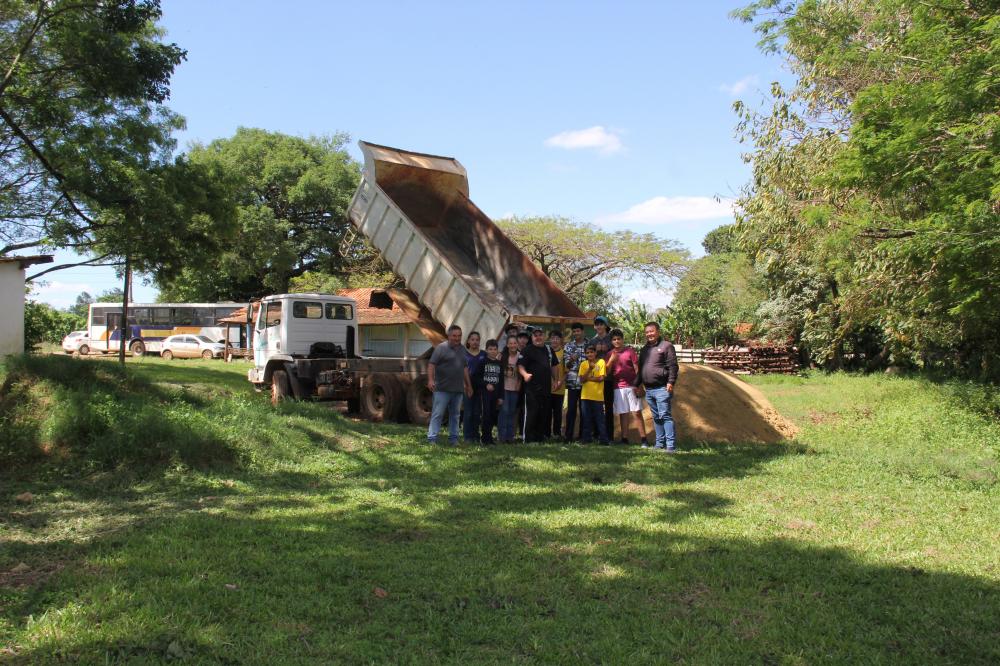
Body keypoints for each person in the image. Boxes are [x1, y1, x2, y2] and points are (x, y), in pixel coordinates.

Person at [633, 321, 679, 452]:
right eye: (647, 332)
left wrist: (671, 382)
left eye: (651, 331)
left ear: (658, 331)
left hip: (662, 388)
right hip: (649, 390)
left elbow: (673, 366)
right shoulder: (644, 349)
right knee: (656, 417)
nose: (649, 334)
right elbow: (641, 369)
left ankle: (670, 446)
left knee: (665, 416)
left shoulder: (666, 346)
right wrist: (636, 384)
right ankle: (659, 444)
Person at [427, 324, 474, 445]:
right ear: (448, 335)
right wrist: (431, 380)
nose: (457, 338)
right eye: (454, 336)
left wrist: (469, 385)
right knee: (438, 414)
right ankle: (432, 438)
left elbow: (464, 368)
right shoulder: (441, 348)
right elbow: (431, 364)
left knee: (456, 415)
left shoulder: (463, 349)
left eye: (459, 336)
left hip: (458, 389)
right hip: (442, 389)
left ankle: (454, 439)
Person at [607, 328, 648, 446]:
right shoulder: (610, 354)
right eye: (614, 339)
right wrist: (611, 360)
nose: (616, 341)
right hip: (618, 387)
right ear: (611, 341)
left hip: (632, 386)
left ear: (622, 339)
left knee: (637, 412)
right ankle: (624, 439)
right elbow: (607, 371)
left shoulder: (630, 351)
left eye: (618, 339)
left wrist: (639, 385)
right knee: (623, 413)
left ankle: (644, 439)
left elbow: (637, 369)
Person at [517, 327, 558, 442]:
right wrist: (525, 375)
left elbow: (554, 366)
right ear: (532, 337)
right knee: (531, 413)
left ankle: (539, 438)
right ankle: (528, 439)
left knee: (543, 413)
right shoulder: (527, 350)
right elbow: (520, 366)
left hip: (546, 387)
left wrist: (556, 380)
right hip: (531, 388)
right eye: (535, 336)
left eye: (540, 335)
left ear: (544, 337)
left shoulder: (549, 350)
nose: (538, 337)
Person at [578, 344, 609, 444]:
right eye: (587, 353)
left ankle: (603, 440)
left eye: (592, 352)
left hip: (598, 397)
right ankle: (586, 439)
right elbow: (582, 380)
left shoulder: (601, 362)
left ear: (596, 352)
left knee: (600, 419)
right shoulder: (583, 364)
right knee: (586, 419)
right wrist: (589, 369)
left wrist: (588, 378)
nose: (590, 354)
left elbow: (601, 378)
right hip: (585, 396)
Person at [591, 316, 616, 439]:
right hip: (596, 378)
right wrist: (595, 350)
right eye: (597, 324)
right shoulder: (592, 341)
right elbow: (589, 356)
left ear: (606, 326)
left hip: (609, 378)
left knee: (608, 406)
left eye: (601, 324)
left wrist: (609, 349)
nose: (599, 326)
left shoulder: (611, 339)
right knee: (596, 406)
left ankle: (609, 435)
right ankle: (596, 434)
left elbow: (617, 352)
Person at [562, 322, 587, 441]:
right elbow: (566, 365)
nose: (576, 333)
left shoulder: (589, 344)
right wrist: (571, 360)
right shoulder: (568, 346)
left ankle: (583, 436)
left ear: (583, 331)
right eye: (574, 331)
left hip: (586, 383)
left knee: (584, 410)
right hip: (572, 383)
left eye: (578, 331)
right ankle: (568, 436)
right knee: (571, 409)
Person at [462, 331, 487, 443]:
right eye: (472, 339)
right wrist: (466, 386)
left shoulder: (484, 354)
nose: (475, 342)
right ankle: (467, 436)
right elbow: (461, 371)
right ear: (468, 341)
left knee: (477, 413)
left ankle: (476, 436)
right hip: (467, 387)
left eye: (477, 340)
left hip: (480, 388)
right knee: (468, 413)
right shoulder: (464, 354)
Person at [498, 335, 522, 443]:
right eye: (510, 343)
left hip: (515, 388)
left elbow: (522, 371)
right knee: (504, 411)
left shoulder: (520, 356)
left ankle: (510, 437)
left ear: (517, 344)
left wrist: (519, 383)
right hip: (504, 388)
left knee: (512, 412)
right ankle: (502, 437)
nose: (512, 345)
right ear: (507, 345)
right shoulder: (502, 356)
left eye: (514, 343)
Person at [480, 339, 503, 444]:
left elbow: (502, 381)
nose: (493, 351)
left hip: (496, 394)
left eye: (495, 349)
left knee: (493, 415)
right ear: (486, 350)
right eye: (490, 349)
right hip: (485, 394)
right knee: (486, 415)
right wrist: (486, 384)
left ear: (498, 350)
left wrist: (501, 397)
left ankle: (489, 438)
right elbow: (476, 377)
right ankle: (485, 438)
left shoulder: (499, 364)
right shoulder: (483, 362)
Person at [548, 329, 566, 440]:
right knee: (547, 411)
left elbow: (567, 371)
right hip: (547, 387)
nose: (554, 340)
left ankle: (557, 433)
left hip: (559, 388)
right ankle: (546, 433)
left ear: (561, 340)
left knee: (557, 411)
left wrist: (560, 381)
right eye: (552, 338)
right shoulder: (546, 352)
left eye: (557, 338)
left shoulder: (564, 353)